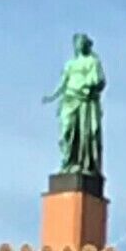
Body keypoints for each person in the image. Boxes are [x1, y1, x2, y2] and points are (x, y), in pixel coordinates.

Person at [46, 33, 105, 178]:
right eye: (77, 43)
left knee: (84, 133)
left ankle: (81, 163)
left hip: (85, 101)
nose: (79, 45)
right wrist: (52, 96)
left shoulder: (93, 61)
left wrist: (88, 85)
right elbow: (63, 82)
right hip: (69, 99)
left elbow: (99, 80)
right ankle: (68, 162)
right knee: (67, 130)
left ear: (86, 45)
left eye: (81, 42)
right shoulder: (70, 64)